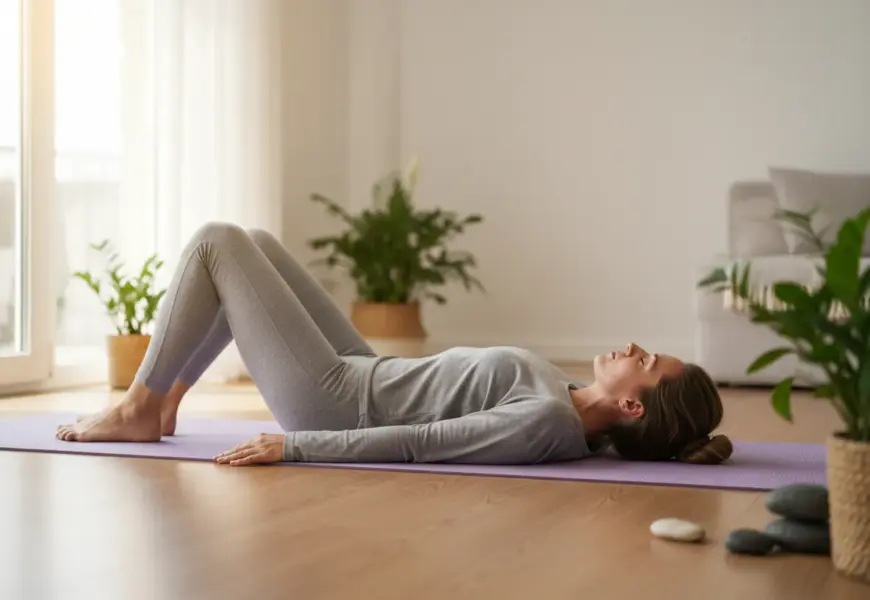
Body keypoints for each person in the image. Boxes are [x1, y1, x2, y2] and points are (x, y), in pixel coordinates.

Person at [57, 223, 733, 467]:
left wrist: (293, 446)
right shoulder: (565, 400)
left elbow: (420, 446)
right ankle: (169, 399)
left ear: (635, 409)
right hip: (366, 371)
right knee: (256, 245)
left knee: (216, 243)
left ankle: (139, 404)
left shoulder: (546, 423)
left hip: (338, 402)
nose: (636, 347)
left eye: (646, 363)